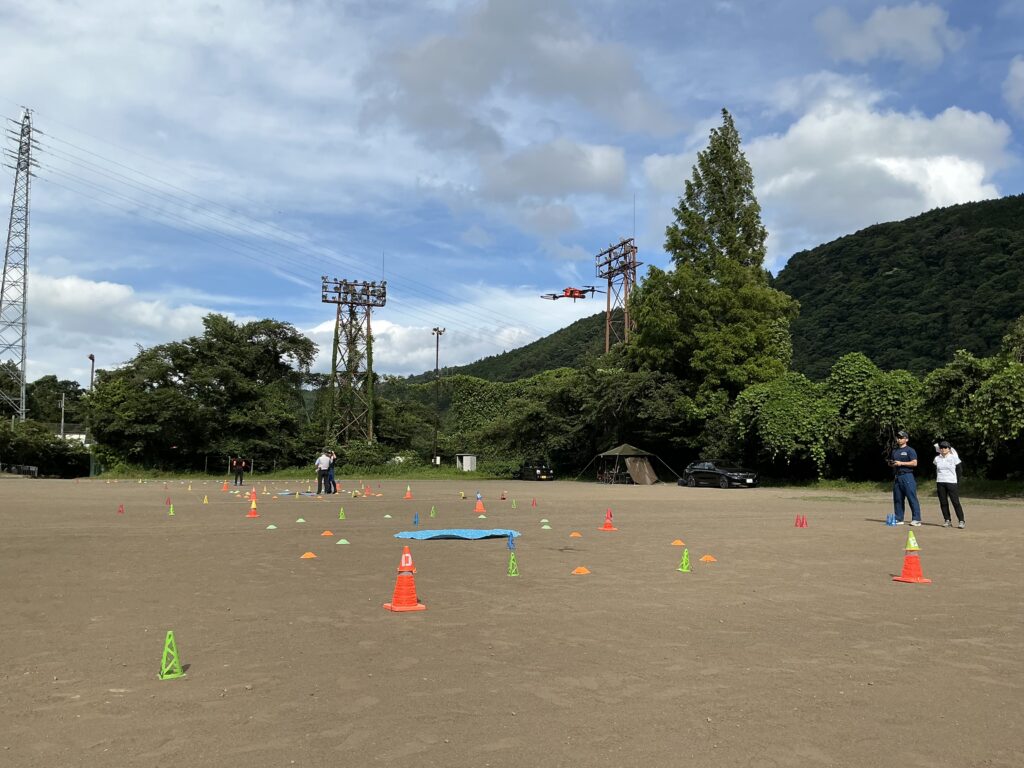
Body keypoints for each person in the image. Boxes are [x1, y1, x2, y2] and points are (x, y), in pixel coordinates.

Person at [890, 430, 922, 526]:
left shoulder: (910, 450)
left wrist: (901, 463)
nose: (899, 439)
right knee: (898, 498)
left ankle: (916, 519)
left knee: (911, 498)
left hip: (907, 476)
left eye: (901, 438)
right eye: (898, 438)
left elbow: (914, 463)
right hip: (897, 476)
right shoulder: (895, 451)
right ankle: (899, 518)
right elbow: (894, 462)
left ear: (906, 439)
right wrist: (892, 464)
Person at [933, 440, 966, 528]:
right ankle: (947, 520)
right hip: (940, 482)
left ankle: (961, 520)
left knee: (955, 502)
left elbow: (959, 470)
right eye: (941, 447)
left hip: (951, 482)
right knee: (943, 502)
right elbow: (936, 470)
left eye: (945, 447)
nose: (943, 449)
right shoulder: (937, 458)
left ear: (949, 449)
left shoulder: (954, 457)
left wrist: (957, 480)